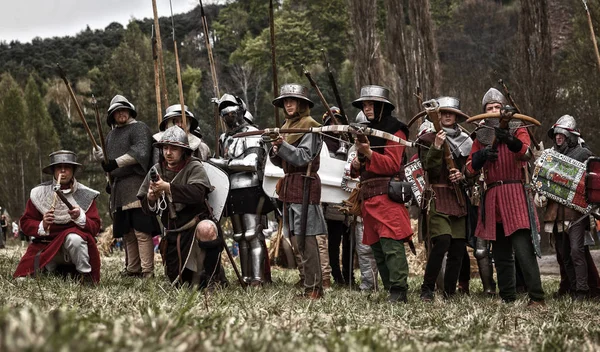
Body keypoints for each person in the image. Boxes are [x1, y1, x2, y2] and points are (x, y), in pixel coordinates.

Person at [466, 88, 545, 306]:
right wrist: (480, 157)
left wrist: (510, 140)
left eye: (496, 107)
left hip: (515, 194)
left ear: (503, 110)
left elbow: (528, 154)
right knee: (500, 253)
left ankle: (537, 297)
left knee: (523, 249)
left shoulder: (517, 128)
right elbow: (468, 171)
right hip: (492, 197)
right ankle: (507, 296)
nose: (493, 111)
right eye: (489, 108)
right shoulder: (480, 136)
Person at [138, 126, 226, 288]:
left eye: (174, 148)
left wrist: (167, 187)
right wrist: (151, 198)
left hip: (195, 224)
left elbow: (197, 194)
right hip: (174, 233)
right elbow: (145, 207)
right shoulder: (157, 170)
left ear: (183, 150)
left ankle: (212, 277)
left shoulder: (194, 166)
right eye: (165, 148)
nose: (168, 152)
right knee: (181, 281)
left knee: (207, 228)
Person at [350, 85, 413, 303]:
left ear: (381, 106)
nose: (366, 108)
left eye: (370, 104)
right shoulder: (366, 131)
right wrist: (358, 161)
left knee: (391, 244)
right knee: (376, 247)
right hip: (368, 196)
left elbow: (391, 164)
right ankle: (390, 289)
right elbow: (357, 169)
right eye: (364, 105)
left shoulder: (396, 129)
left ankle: (399, 289)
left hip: (387, 195)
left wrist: (368, 153)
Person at [209, 93, 273, 286]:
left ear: (240, 111)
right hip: (231, 190)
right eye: (224, 112)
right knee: (239, 237)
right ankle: (245, 277)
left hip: (250, 188)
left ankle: (257, 278)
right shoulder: (224, 137)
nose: (228, 116)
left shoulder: (253, 133)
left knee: (253, 235)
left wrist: (223, 162)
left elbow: (251, 163)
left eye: (231, 111)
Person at [270, 83, 327, 299]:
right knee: (294, 238)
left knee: (307, 237)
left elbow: (303, 157)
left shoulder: (311, 126)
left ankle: (314, 288)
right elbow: (281, 161)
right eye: (285, 101)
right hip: (290, 185)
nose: (288, 104)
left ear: (302, 103)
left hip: (306, 184)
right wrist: (275, 149)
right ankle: (306, 281)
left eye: (292, 100)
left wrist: (281, 144)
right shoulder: (286, 125)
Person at [95, 95, 160, 278]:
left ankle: (147, 270)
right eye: (117, 111)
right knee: (128, 233)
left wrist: (114, 163)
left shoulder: (139, 128)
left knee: (141, 230)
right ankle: (133, 269)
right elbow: (108, 165)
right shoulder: (110, 135)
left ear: (130, 111)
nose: (121, 113)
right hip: (119, 188)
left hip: (136, 184)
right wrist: (109, 179)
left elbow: (140, 152)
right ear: (112, 116)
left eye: (123, 110)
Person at [14, 150, 101, 284]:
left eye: (67, 167)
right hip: (47, 247)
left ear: (73, 170)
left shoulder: (85, 194)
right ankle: (50, 269)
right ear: (53, 171)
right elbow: (25, 223)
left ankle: (85, 276)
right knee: (27, 276)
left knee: (75, 238)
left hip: (73, 251)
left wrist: (80, 217)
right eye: (59, 167)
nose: (62, 171)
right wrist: (42, 224)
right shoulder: (39, 193)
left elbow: (95, 227)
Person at [535, 115, 598, 300]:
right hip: (556, 213)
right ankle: (571, 288)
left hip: (576, 212)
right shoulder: (550, 156)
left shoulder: (583, 154)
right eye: (556, 135)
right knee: (563, 255)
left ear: (570, 136)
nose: (558, 138)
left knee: (576, 251)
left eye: (562, 135)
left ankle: (582, 291)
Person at [418, 97, 472, 301]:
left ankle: (450, 293)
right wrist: (437, 146)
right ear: (437, 116)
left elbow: (470, 171)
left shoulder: (466, 141)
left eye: (451, 113)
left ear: (457, 116)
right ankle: (427, 289)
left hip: (457, 197)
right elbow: (428, 169)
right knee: (442, 241)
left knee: (458, 247)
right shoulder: (427, 139)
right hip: (437, 196)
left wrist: (462, 175)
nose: (447, 116)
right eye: (443, 113)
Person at [321, 106, 354, 287]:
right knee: (333, 240)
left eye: (338, 122)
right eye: (331, 122)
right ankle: (337, 275)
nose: (335, 125)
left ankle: (349, 277)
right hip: (330, 197)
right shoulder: (322, 143)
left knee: (349, 240)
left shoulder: (349, 142)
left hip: (349, 195)